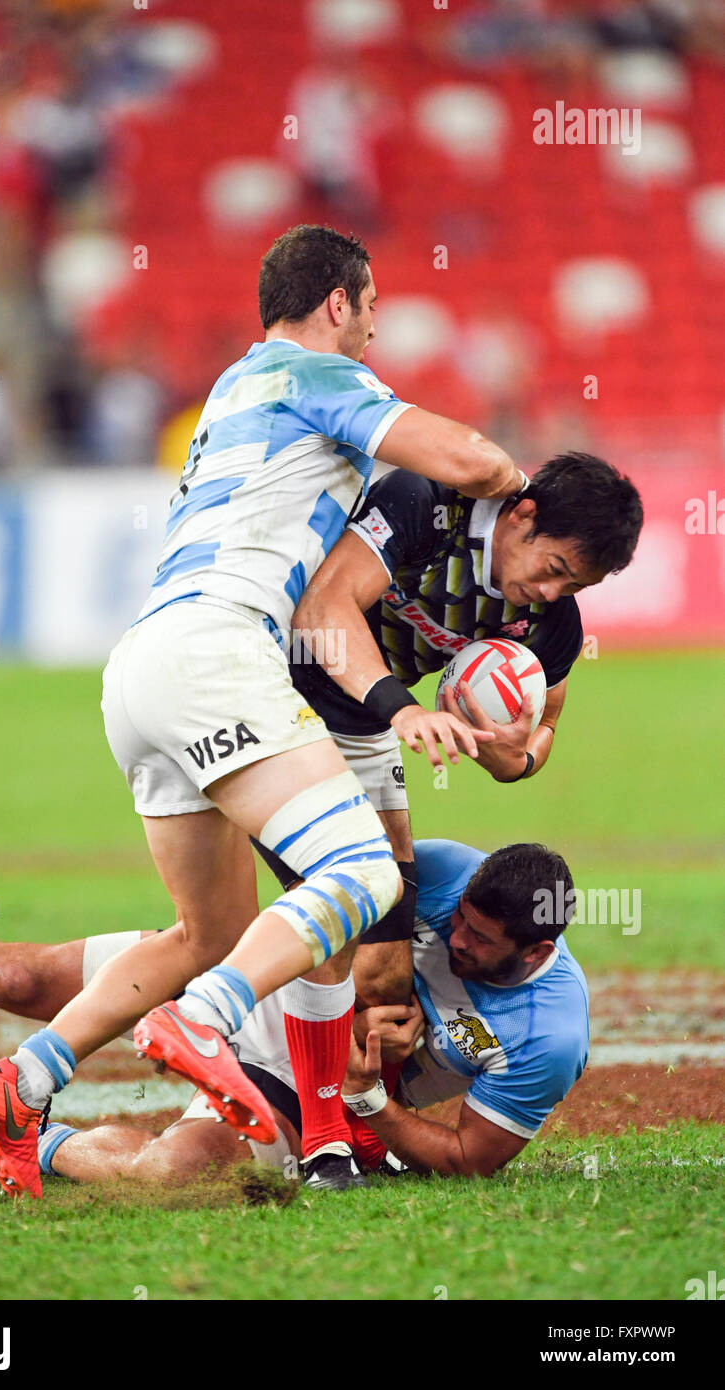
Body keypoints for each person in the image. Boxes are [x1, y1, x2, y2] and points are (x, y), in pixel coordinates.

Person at [0, 224, 529, 1199]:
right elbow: (462, 459)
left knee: (204, 932)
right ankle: (207, 1019)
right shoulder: (312, 372)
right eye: (371, 306)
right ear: (335, 303)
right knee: (354, 872)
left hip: (142, 666)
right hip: (221, 650)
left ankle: (20, 1082)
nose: (377, 328)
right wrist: (524, 496)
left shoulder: (233, 385)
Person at [270, 452, 642, 1175]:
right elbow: (324, 608)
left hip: (358, 722)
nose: (550, 592)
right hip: (269, 696)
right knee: (332, 903)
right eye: (554, 567)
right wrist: (402, 708)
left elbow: (532, 745)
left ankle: (362, 1127)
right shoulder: (427, 506)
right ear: (523, 516)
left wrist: (511, 751)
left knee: (385, 953)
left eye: (575, 584)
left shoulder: (549, 624)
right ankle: (321, 1140)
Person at [0, 840, 589, 1187]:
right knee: (17, 976)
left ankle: (13, 1137)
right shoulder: (436, 869)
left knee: (169, 1174)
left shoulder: (551, 1035)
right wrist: (366, 1001)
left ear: (536, 950)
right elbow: (318, 885)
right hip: (263, 983)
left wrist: (369, 1098)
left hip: (308, 1088)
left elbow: (471, 1158)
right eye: (458, 922)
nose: (459, 939)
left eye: (481, 940)